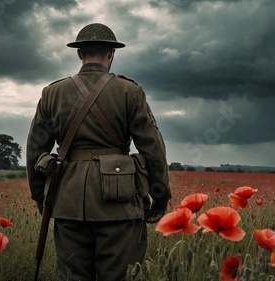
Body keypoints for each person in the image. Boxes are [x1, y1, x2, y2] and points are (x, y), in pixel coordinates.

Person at [26, 23, 171, 280]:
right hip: (120, 201)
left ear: (79, 53)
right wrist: (159, 198)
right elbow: (153, 148)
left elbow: (35, 151)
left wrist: (43, 199)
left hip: (67, 200)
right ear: (111, 54)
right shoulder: (130, 92)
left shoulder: (52, 93)